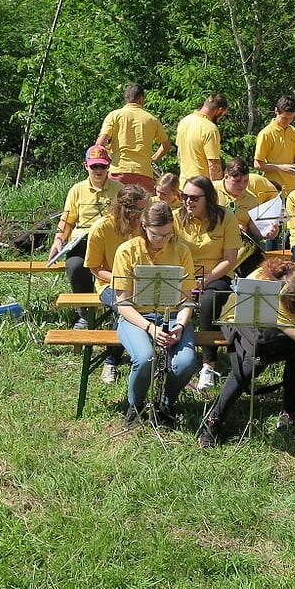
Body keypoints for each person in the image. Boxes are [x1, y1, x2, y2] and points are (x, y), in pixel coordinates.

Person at [199, 259, 295, 445]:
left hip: (279, 326)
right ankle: (214, 419)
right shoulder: (275, 294)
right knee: (250, 362)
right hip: (240, 320)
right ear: (293, 297)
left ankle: (289, 412)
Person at [112, 202, 199, 428]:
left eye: (168, 234)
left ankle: (166, 403)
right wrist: (150, 328)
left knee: (186, 362)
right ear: (143, 226)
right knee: (145, 358)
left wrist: (180, 325)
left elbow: (187, 299)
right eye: (156, 235)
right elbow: (123, 304)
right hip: (137, 317)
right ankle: (135, 406)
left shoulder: (181, 250)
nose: (162, 240)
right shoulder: (127, 251)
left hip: (174, 316)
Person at [173, 176, 241, 390]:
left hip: (216, 276)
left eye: (194, 198)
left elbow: (230, 259)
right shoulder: (175, 217)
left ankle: (208, 365)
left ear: (208, 198)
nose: (188, 201)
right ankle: (173, 359)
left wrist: (206, 279)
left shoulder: (225, 217)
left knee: (208, 300)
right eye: (184, 196)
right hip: (182, 276)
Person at [49, 145, 123, 329]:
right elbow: (67, 220)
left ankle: (118, 311)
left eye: (102, 166)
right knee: (75, 266)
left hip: (110, 243)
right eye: (94, 166)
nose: (98, 170)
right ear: (86, 166)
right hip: (82, 242)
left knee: (120, 269)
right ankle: (84, 312)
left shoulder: (119, 189)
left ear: (109, 166)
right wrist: (58, 240)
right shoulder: (77, 189)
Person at [84, 184, 149, 384]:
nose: (145, 213)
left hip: (143, 281)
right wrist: (122, 279)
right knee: (125, 307)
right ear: (127, 210)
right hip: (108, 283)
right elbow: (94, 268)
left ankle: (148, 353)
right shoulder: (101, 227)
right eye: (141, 210)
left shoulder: (142, 225)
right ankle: (111, 361)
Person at [95, 83, 171, 192]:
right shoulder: (152, 119)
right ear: (141, 99)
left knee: (116, 203)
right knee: (143, 203)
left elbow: (100, 143)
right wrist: (153, 159)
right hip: (144, 172)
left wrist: (108, 158)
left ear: (126, 98)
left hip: (119, 171)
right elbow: (166, 145)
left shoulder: (114, 115)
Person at [215, 157, 274, 276]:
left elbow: (252, 227)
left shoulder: (252, 199)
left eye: (246, 181)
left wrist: (266, 232)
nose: (242, 186)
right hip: (216, 242)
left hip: (241, 247)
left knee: (262, 269)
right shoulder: (211, 190)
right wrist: (231, 226)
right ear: (226, 177)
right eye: (237, 181)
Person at [253, 95, 295, 197]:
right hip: (272, 188)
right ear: (276, 111)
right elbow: (257, 164)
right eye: (284, 118)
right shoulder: (266, 134)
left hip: (291, 188)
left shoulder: (294, 132)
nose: (288, 122)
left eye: (291, 118)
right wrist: (281, 168)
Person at [175, 93, 228, 186]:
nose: (221, 118)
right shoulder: (210, 129)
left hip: (184, 183)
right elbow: (213, 165)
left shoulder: (184, 121)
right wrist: (217, 188)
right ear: (219, 110)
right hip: (201, 186)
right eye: (222, 115)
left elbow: (179, 154)